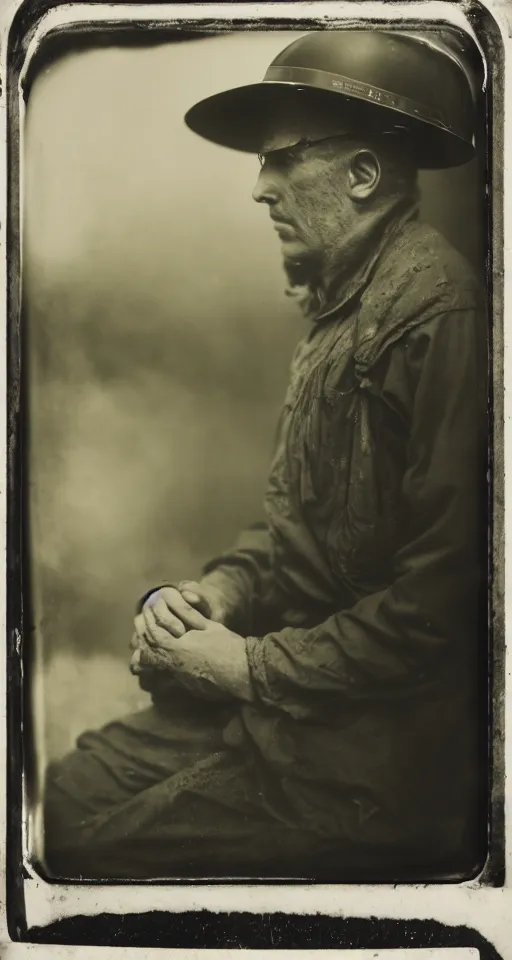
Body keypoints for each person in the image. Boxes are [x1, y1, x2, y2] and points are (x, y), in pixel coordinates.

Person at [43, 29, 488, 881]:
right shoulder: (340, 313)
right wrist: (212, 597)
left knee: (81, 858)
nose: (260, 189)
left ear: (363, 176)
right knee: (58, 799)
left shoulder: (440, 323)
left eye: (282, 160)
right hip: (288, 712)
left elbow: (442, 615)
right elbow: (298, 540)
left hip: (372, 771)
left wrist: (243, 665)